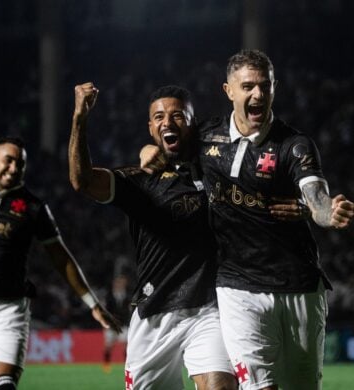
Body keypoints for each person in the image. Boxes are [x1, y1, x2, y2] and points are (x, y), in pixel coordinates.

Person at [141, 50, 354, 390]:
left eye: (264, 86)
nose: (257, 94)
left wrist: (325, 211)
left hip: (298, 284)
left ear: (274, 88)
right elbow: (168, 145)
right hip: (236, 286)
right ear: (229, 91)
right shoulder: (206, 137)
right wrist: (146, 150)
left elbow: (315, 195)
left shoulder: (294, 145)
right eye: (248, 87)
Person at [69, 83, 240, 390]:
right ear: (150, 128)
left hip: (209, 308)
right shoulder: (139, 181)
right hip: (153, 314)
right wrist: (80, 117)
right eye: (159, 116)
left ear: (192, 122)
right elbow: (81, 181)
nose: (167, 122)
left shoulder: (216, 167)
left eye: (177, 115)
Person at [0, 136, 121, 390]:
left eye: (20, 164)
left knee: (5, 386)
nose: (14, 168)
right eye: (9, 160)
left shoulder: (33, 208)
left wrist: (92, 304)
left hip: (9, 310)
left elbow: (61, 258)